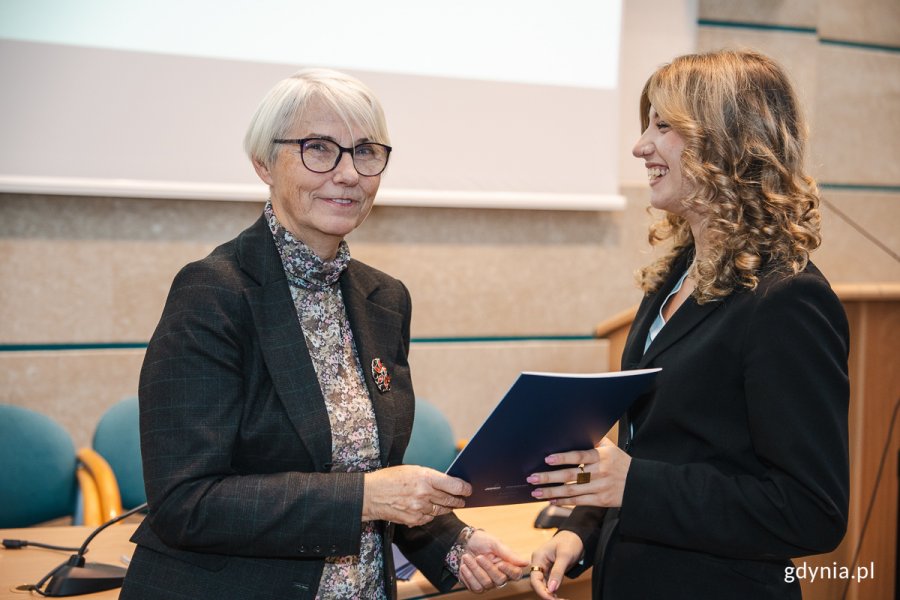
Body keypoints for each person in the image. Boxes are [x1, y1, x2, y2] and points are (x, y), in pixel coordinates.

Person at [121, 68, 526, 600]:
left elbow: (376, 475)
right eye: (318, 148)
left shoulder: (385, 299)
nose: (347, 173)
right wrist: (365, 497)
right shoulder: (214, 293)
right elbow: (186, 503)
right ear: (264, 162)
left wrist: (453, 544)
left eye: (365, 151)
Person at [527, 50, 850, 599]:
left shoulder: (787, 299)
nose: (640, 145)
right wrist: (582, 530)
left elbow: (811, 511)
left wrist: (633, 484)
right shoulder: (676, 275)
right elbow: (657, 448)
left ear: (726, 140)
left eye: (664, 125)